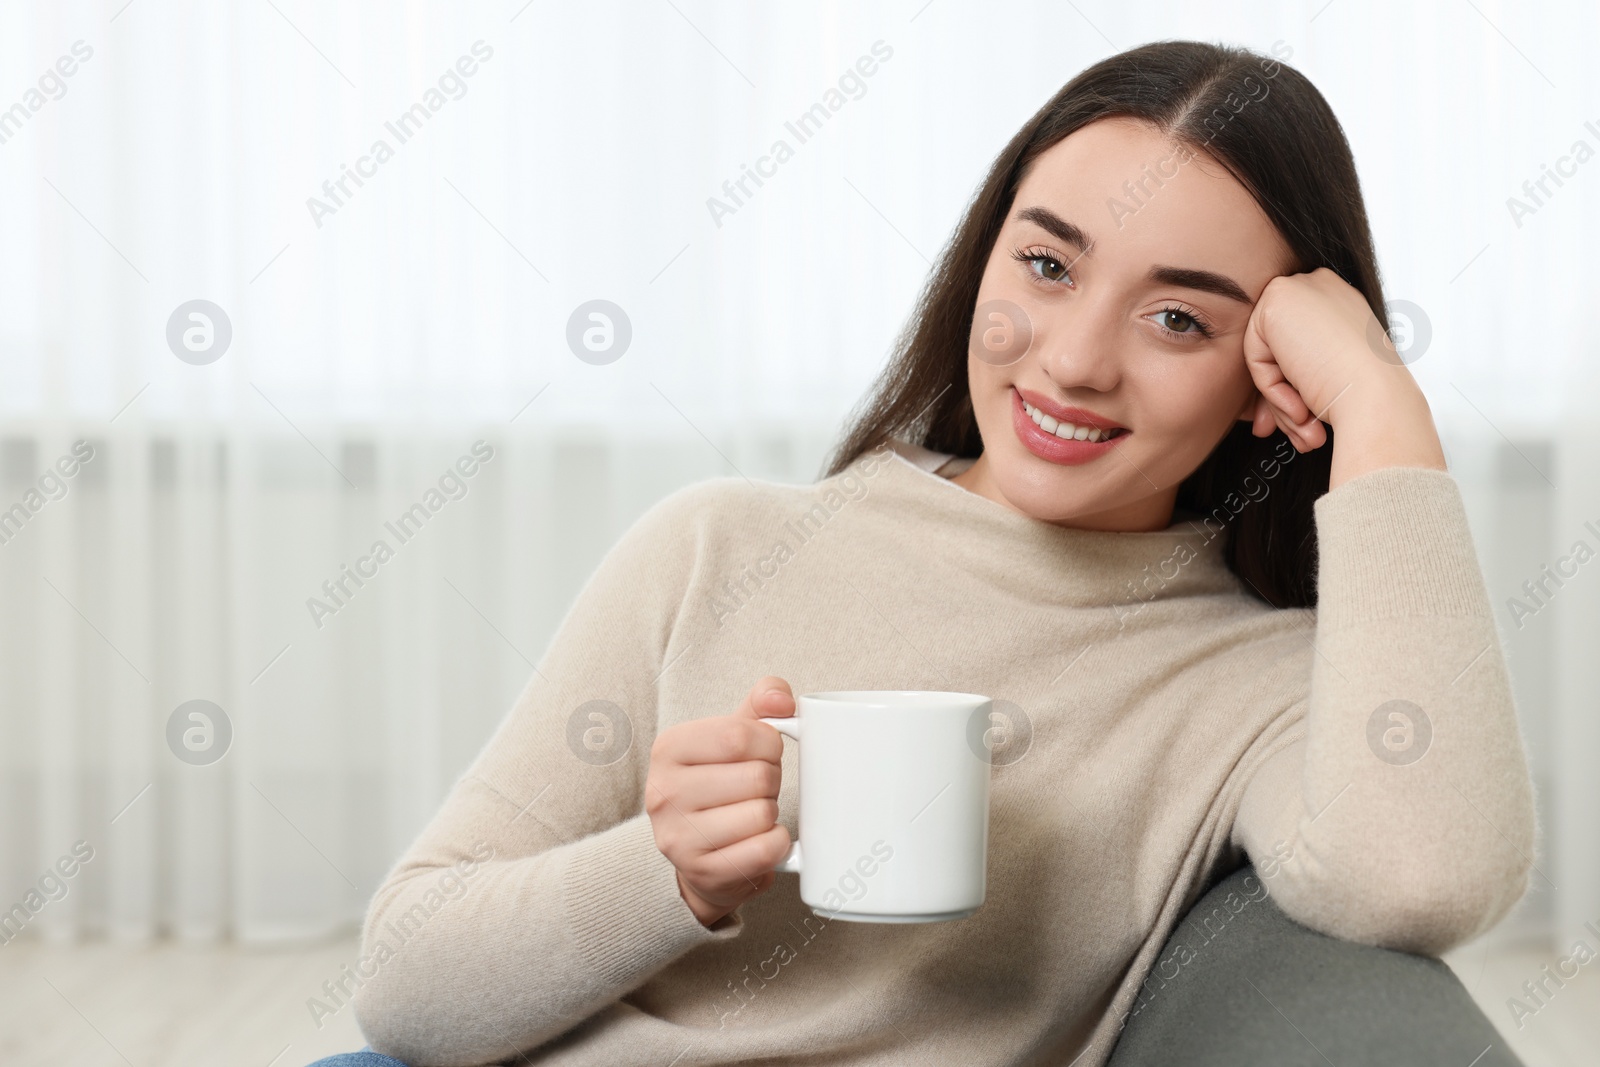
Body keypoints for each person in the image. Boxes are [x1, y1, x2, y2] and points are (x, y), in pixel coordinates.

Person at [313, 38, 1535, 1067]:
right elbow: (406, 981)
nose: (1070, 360)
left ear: (1264, 374)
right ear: (981, 261)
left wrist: (1377, 401)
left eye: (1178, 317)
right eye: (1046, 265)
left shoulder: (1257, 679)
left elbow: (1421, 877)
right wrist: (666, 873)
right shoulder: (714, 543)